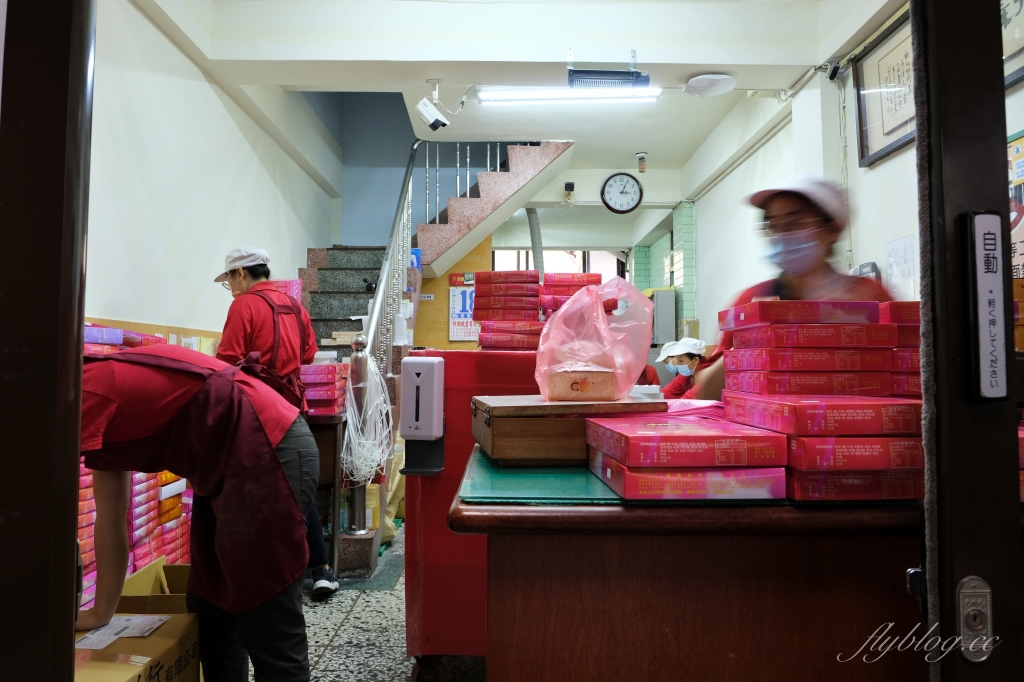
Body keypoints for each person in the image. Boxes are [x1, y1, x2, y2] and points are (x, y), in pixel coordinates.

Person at [77, 344, 316, 682]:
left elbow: (44, 514)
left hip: (268, 448)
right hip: (227, 466)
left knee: (267, 620)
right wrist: (102, 612)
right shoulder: (86, 393)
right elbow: (111, 516)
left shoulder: (84, 392)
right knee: (211, 609)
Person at [694, 176, 892, 400]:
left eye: (794, 223)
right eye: (772, 225)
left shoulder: (869, 298)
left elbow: (914, 368)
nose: (781, 235)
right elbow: (706, 393)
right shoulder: (752, 301)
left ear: (832, 230)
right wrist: (752, 339)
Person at [214, 247, 339, 599]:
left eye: (230, 281)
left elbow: (227, 361)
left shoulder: (243, 306)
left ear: (241, 273)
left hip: (257, 411)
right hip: (293, 409)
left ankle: (274, 572)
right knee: (296, 486)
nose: (231, 288)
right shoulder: (294, 306)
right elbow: (309, 354)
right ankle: (321, 568)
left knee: (262, 488)